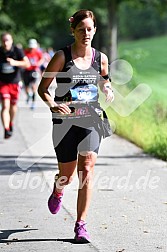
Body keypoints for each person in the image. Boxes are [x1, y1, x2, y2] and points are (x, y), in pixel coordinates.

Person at [38, 9, 114, 243]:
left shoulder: (100, 58)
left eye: (90, 29)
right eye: (81, 30)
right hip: (65, 123)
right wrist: (52, 104)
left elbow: (104, 78)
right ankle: (59, 189)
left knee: (87, 169)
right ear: (73, 30)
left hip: (91, 119)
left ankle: (81, 225)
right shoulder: (62, 57)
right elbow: (43, 88)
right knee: (68, 176)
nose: (86, 34)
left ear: (94, 30)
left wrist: (107, 89)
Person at [0, 32, 30, 139]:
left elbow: (27, 64)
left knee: (13, 106)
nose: (5, 43)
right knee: (5, 106)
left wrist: (15, 63)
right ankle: (6, 129)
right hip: (3, 83)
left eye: (7, 40)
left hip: (15, 82)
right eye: (3, 41)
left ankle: (10, 123)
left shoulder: (17, 50)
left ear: (11, 41)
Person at [23, 38, 43, 109]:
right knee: (26, 86)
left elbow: (42, 59)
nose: (31, 49)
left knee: (34, 86)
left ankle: (33, 103)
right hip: (26, 71)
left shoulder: (37, 52)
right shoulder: (25, 52)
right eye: (30, 47)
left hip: (34, 71)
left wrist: (38, 63)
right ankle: (28, 95)